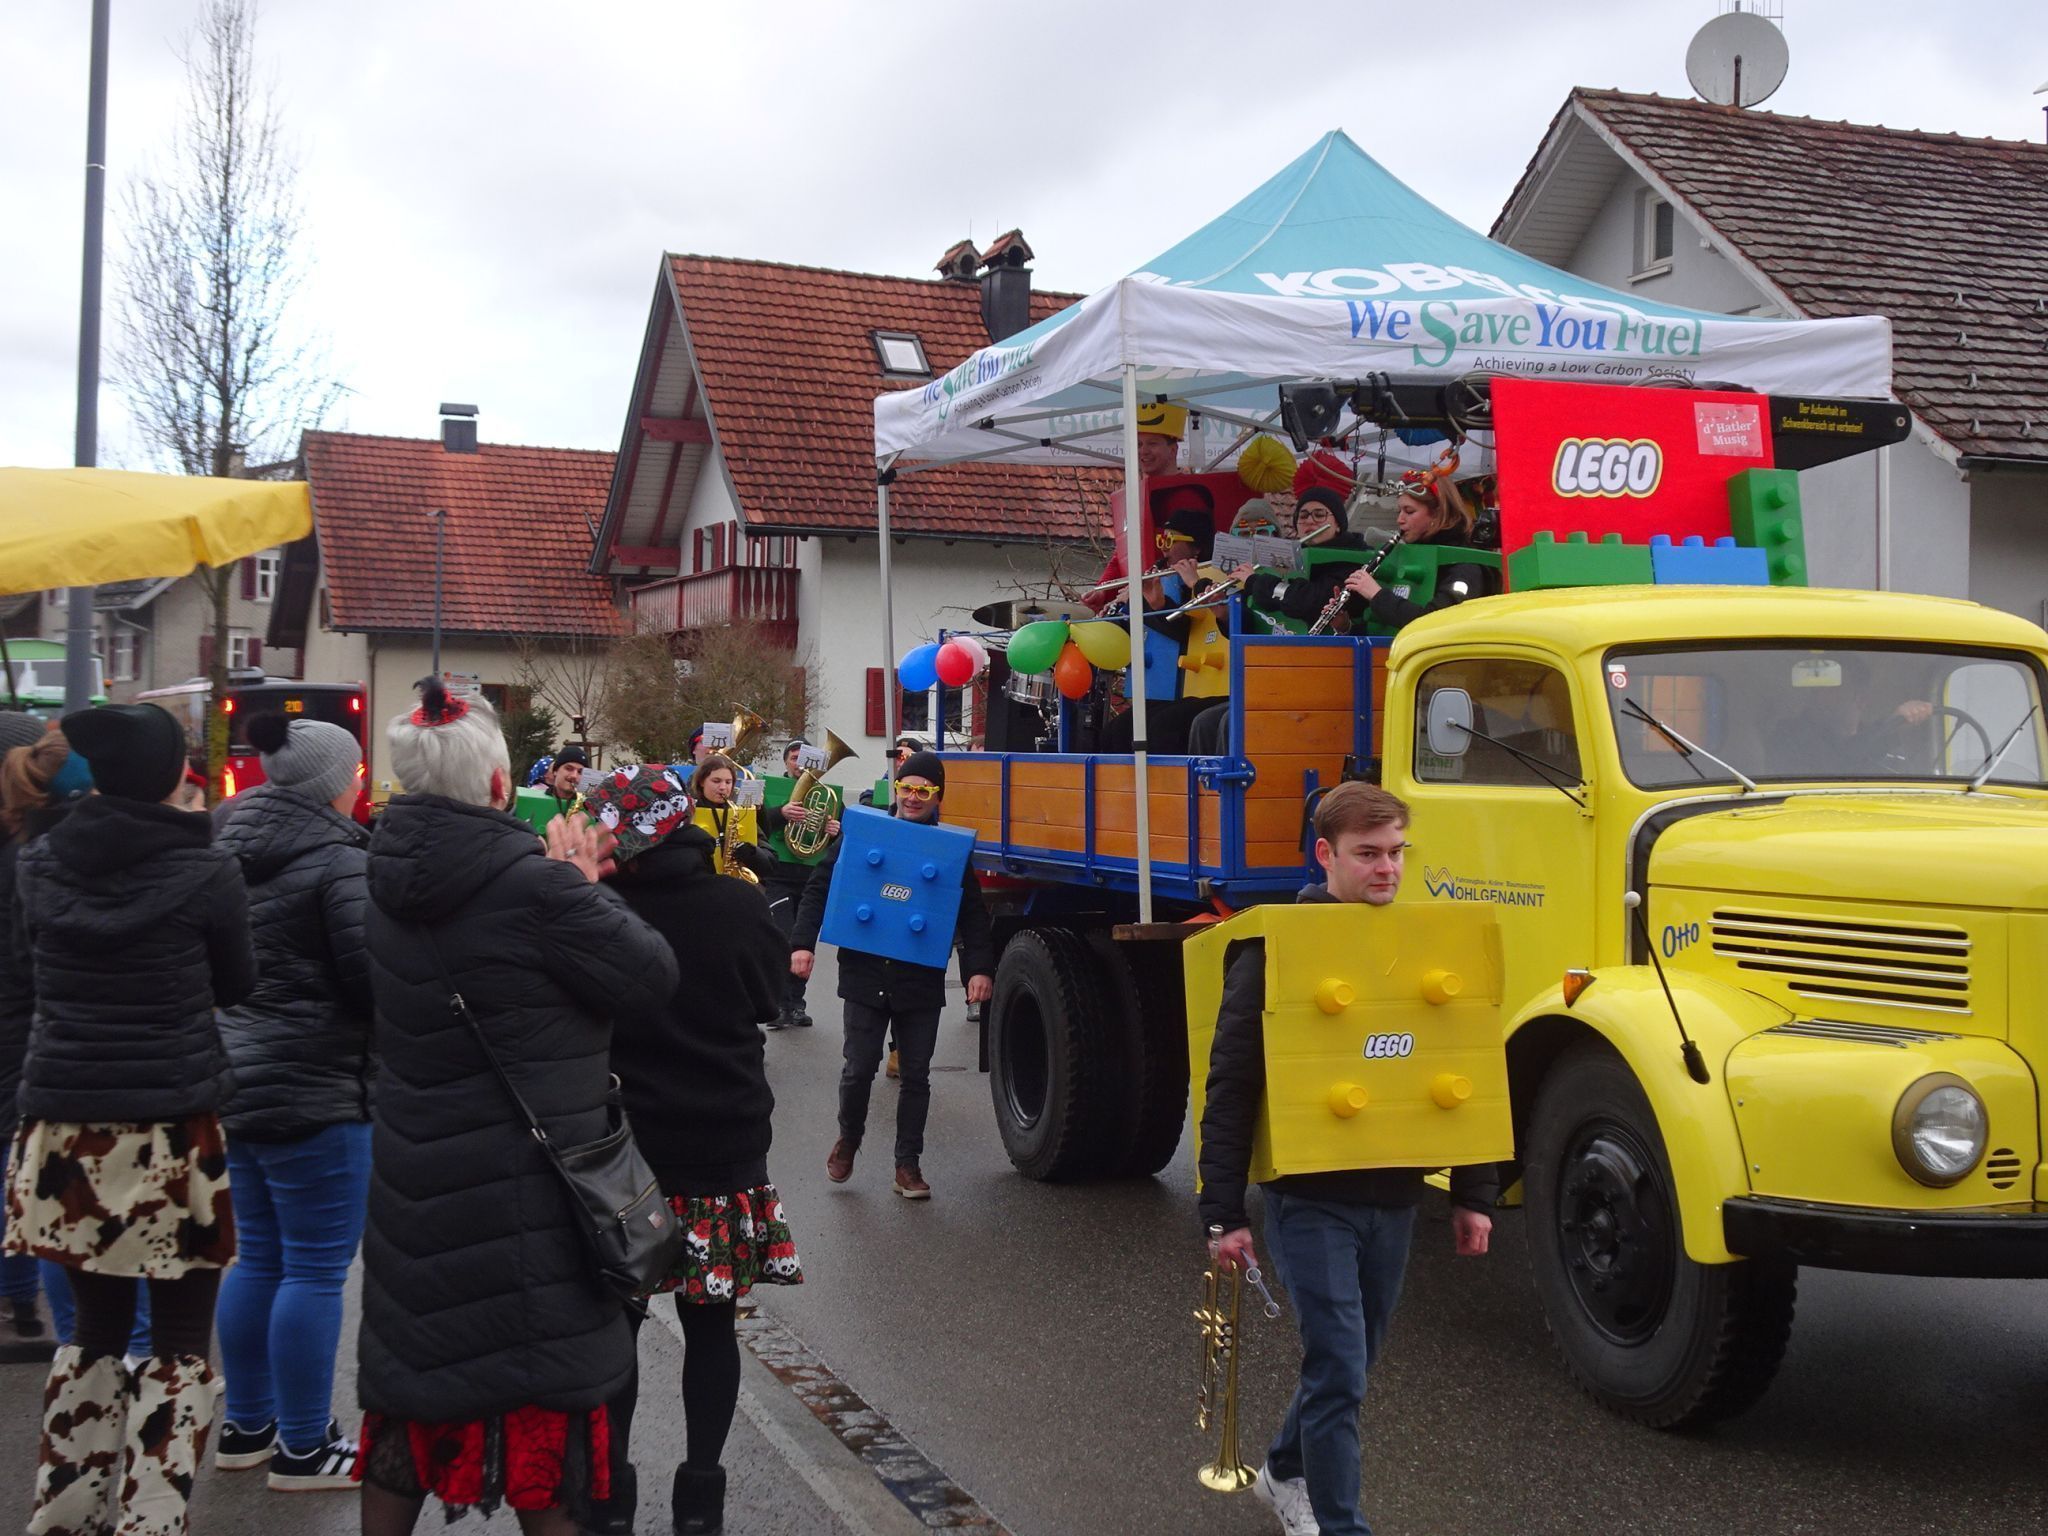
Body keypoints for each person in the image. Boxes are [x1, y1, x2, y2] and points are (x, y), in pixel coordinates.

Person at [354, 680, 679, 1535]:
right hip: (530, 1198)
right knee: (546, 1426)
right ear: (500, 787)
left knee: (411, 1395)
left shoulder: (376, 880)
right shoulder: (537, 890)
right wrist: (583, 885)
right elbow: (651, 978)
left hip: (415, 1190)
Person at [1198, 782, 1497, 1536]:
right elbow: (1232, 1082)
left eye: (1397, 852)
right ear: (1325, 854)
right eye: (1369, 854)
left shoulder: (1426, 945)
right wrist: (1222, 1213)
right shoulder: (1276, 948)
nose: (1387, 869)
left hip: (1394, 1198)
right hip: (1310, 1197)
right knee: (1338, 1362)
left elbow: (1464, 1067)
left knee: (1350, 1367)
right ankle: (1340, 1525)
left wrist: (1474, 1194)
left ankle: (1285, 1471)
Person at [6, 703, 256, 1536]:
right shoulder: (206, 872)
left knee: (93, 1329)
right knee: (183, 1336)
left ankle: (68, 1513)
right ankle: (153, 1519)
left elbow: (29, 971)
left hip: (66, 1124)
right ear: (173, 777)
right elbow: (236, 985)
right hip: (169, 1126)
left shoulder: (38, 864)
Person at [580, 767, 802, 1536]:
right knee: (712, 1326)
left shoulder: (599, 910)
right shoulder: (739, 903)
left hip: (622, 1154)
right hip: (722, 1143)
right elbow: (771, 1000)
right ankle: (700, 1498)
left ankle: (610, 1497)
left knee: (618, 1328)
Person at [211, 712, 375, 1492]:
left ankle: (247, 1426)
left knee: (257, 1259)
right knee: (313, 1272)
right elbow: (370, 980)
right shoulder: (338, 861)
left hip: (235, 1077)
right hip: (318, 1087)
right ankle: (305, 1449)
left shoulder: (224, 842)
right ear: (342, 780)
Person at [790, 751, 995, 1200]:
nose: (914, 797)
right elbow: (821, 887)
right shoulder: (863, 835)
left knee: (916, 1076)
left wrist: (979, 968)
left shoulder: (949, 851)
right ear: (896, 790)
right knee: (859, 1068)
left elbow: (972, 915)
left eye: (925, 790)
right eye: (907, 787)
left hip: (918, 979)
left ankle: (908, 1165)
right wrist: (803, 943)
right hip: (865, 974)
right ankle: (849, 1139)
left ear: (938, 795)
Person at [1333, 473, 1498, 632]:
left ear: (1438, 514)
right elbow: (1388, 630)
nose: (1400, 519)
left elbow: (1437, 623)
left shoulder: (1466, 563)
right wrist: (1346, 626)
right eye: (1399, 511)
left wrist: (1377, 595)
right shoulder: (1409, 555)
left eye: (1409, 511)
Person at [763, 739, 840, 1031]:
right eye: (795, 757)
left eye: (806, 758)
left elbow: (841, 840)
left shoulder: (829, 795)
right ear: (786, 761)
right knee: (782, 938)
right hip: (778, 875)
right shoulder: (771, 790)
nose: (800, 763)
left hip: (811, 879)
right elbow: (756, 825)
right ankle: (779, 1003)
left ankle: (796, 1004)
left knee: (802, 941)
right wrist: (781, 813)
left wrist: (836, 831)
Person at [1081, 402, 1188, 612]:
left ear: (1173, 449)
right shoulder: (1132, 495)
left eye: (1152, 443)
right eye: (1138, 444)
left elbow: (1192, 556)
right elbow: (1124, 555)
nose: (1143, 451)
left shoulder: (1189, 493)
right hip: (1135, 606)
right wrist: (1103, 590)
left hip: (1174, 606)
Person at [691, 753, 775, 882]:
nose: (723, 787)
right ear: (701, 781)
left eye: (728, 782)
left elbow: (771, 863)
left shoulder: (738, 812)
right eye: (716, 781)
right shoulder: (689, 812)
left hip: (734, 888)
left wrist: (752, 853)